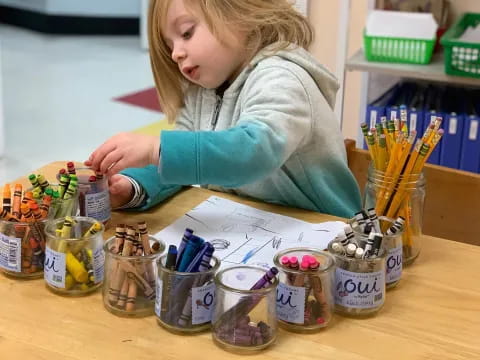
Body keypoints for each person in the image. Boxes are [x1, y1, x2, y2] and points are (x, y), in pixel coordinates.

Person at [85, 0, 361, 218]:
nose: (175, 53)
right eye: (170, 45)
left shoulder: (283, 78)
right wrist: (132, 187)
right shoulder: (203, 92)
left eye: (186, 33)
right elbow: (180, 165)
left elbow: (254, 151)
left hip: (327, 237)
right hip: (254, 229)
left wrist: (155, 149)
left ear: (239, 12)